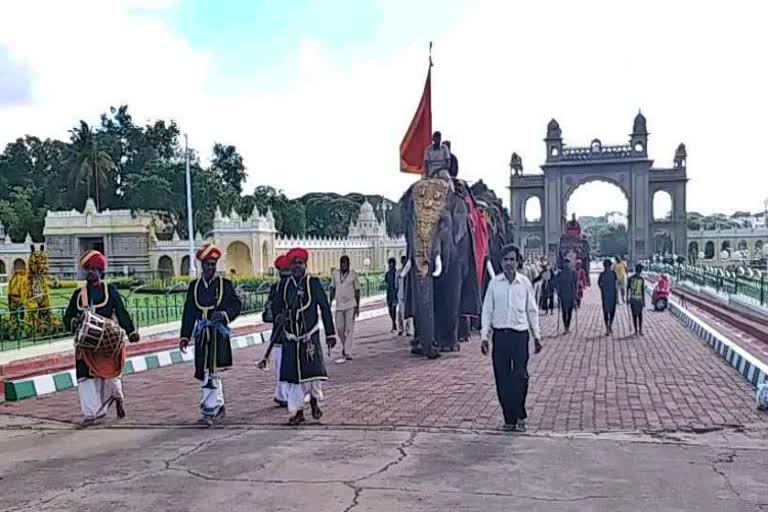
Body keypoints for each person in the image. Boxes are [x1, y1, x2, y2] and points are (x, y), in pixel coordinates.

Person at [63, 250, 139, 426]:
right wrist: (75, 322)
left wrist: (131, 331)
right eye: (88, 269)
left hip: (107, 343)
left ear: (100, 271)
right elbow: (67, 318)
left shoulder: (109, 291)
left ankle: (117, 399)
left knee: (110, 376)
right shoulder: (78, 294)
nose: (90, 272)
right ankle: (91, 414)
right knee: (86, 379)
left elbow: (121, 311)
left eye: (94, 269)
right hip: (85, 346)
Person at [480, 244, 543, 432]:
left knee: (520, 376)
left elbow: (532, 310)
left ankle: (520, 413)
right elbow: (487, 311)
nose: (509, 263)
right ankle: (509, 419)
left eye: (512, 260)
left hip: (519, 335)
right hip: (500, 336)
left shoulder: (524, 283)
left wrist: (537, 336)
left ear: (517, 262)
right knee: (502, 378)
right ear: (501, 262)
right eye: (506, 260)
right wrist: (485, 337)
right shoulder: (494, 284)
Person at [272, 247, 337, 425]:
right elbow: (276, 306)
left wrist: (330, 333)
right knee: (293, 378)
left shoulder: (313, 283)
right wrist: (278, 316)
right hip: (291, 337)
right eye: (294, 265)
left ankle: (314, 401)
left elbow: (324, 308)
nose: (297, 268)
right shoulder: (284, 286)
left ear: (305, 265)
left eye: (300, 264)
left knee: (313, 374)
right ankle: (297, 412)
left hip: (309, 335)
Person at [179, 243, 242, 426]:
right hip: (202, 335)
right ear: (201, 265)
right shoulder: (194, 286)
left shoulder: (225, 284)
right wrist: (185, 336)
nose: (210, 268)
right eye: (207, 264)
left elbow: (236, 305)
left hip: (218, 334)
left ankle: (210, 410)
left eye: (213, 264)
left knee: (212, 371)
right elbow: (189, 312)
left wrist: (224, 315)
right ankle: (217, 405)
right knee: (205, 370)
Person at [256, 255, 292, 408]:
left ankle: (282, 394)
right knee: (288, 365)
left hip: (278, 334)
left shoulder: (275, 287)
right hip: (289, 332)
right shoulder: (293, 286)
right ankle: (284, 394)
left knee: (280, 366)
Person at [329, 255, 360, 362]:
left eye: (345, 263)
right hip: (339, 305)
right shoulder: (336, 274)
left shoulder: (353, 274)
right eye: (342, 263)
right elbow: (332, 288)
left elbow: (357, 290)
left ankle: (348, 352)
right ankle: (345, 346)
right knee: (339, 328)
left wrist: (357, 306)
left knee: (349, 328)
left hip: (351, 304)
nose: (343, 265)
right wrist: (329, 301)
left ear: (348, 264)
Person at [555, 258, 577, 333]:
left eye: (567, 263)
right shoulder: (560, 274)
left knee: (570, 311)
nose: (566, 265)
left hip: (570, 295)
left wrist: (575, 297)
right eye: (565, 263)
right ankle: (565, 326)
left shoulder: (573, 273)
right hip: (563, 295)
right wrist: (558, 294)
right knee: (564, 311)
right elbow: (557, 284)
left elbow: (575, 285)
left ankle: (568, 326)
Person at [597, 259, 618, 335]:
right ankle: (607, 328)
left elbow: (616, 284)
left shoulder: (613, 273)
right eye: (608, 266)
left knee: (612, 312)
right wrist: (602, 289)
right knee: (606, 312)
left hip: (613, 295)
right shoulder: (602, 274)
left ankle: (610, 325)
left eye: (609, 266)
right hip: (605, 296)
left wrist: (617, 295)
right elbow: (599, 283)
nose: (609, 267)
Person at [627, 264, 646, 336]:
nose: (639, 272)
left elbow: (642, 290)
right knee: (636, 315)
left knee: (639, 315)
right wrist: (627, 298)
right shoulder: (632, 279)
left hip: (637, 299)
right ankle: (637, 330)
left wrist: (643, 300)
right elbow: (628, 288)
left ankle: (639, 330)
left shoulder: (640, 279)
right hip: (634, 299)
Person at [397, 255, 412, 337]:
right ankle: (401, 329)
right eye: (403, 261)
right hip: (401, 294)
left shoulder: (410, 273)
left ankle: (408, 330)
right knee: (400, 312)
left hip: (408, 294)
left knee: (409, 312)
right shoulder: (398, 272)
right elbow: (396, 285)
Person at [384, 257, 398, 332]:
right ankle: (393, 322)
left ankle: (393, 324)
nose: (390, 265)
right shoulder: (387, 274)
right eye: (389, 263)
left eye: (391, 263)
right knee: (390, 310)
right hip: (389, 293)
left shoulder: (396, 273)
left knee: (394, 310)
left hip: (395, 294)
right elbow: (386, 282)